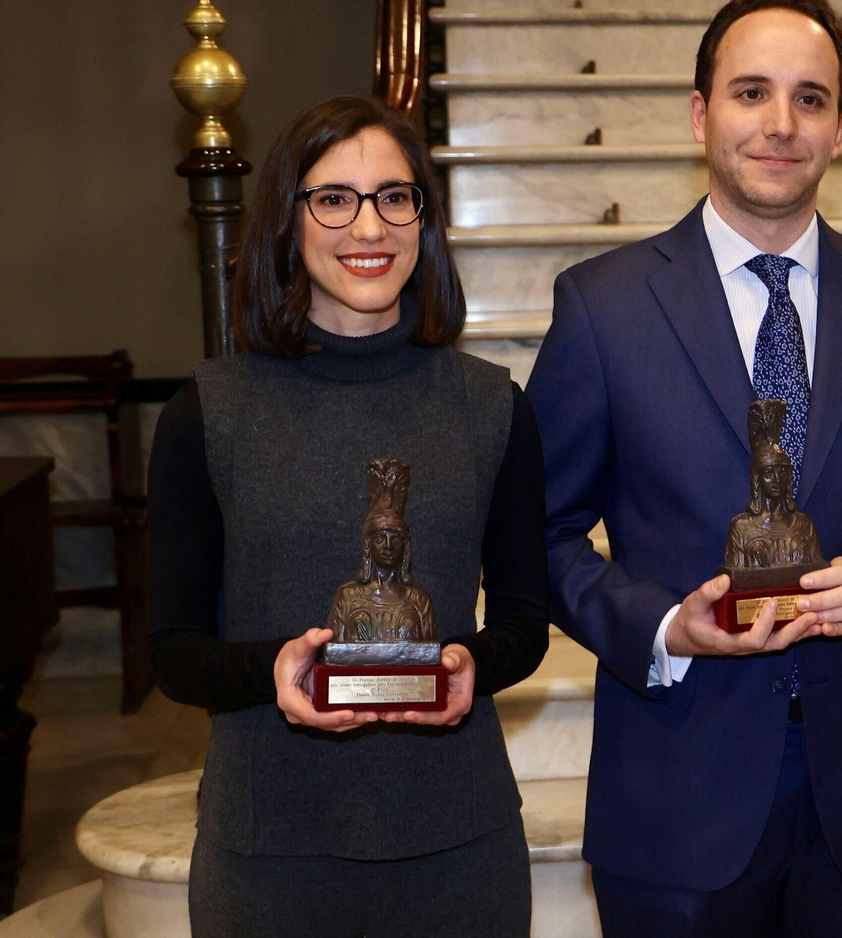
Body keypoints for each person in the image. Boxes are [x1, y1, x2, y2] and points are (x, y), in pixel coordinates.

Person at [528, 0, 842, 937]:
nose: (780, 124)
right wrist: (664, 624)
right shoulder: (603, 306)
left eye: (810, 98)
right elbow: (541, 531)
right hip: (676, 790)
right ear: (701, 112)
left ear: (841, 128)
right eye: (751, 93)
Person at [146, 94, 550, 938]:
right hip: (270, 853)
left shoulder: (491, 406)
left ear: (424, 221)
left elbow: (524, 623)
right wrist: (275, 671)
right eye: (334, 198)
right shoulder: (209, 412)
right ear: (288, 220)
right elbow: (173, 652)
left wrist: (471, 665)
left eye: (394, 197)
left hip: (459, 848)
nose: (369, 227)